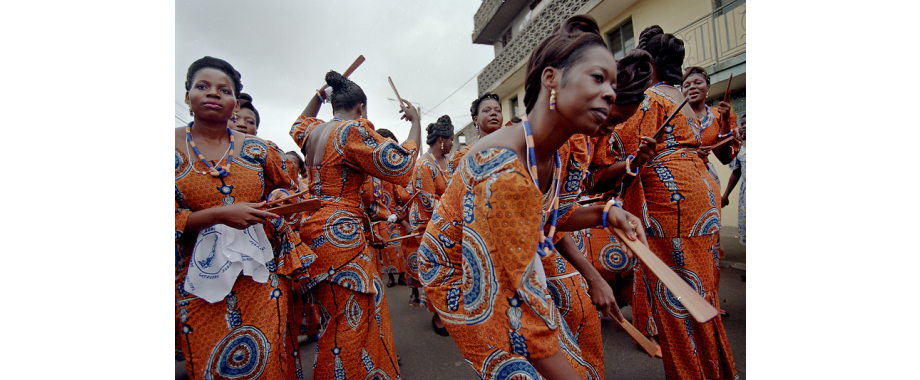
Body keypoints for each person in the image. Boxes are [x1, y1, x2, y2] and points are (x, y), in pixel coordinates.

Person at [417, 15, 648, 379]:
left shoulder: (553, 153)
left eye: (613, 85)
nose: (610, 93)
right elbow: (516, 312)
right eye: (598, 78)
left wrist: (607, 213)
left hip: (509, 274)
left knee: (577, 357)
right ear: (551, 78)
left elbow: (549, 221)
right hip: (460, 278)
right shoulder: (502, 170)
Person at [175, 56, 313, 380]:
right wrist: (220, 214)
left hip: (261, 278)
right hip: (198, 281)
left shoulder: (259, 150)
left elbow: (291, 190)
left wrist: (278, 199)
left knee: (268, 360)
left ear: (234, 105)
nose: (213, 94)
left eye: (223, 90)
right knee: (214, 364)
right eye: (203, 86)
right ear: (187, 95)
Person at [614, 25, 738, 379]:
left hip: (672, 201)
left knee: (678, 298)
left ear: (648, 65)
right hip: (701, 192)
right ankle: (717, 370)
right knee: (701, 295)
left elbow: (614, 141)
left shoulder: (651, 99)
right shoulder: (686, 104)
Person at [289, 69, 421, 380]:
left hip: (315, 230)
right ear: (361, 107)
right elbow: (402, 164)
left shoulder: (312, 133)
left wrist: (320, 95)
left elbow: (297, 123)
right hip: (341, 235)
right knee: (348, 325)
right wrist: (415, 121)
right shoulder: (350, 132)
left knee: (335, 321)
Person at [403, 115, 454, 334]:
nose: (452, 143)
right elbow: (427, 201)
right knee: (437, 271)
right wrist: (456, 206)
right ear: (442, 140)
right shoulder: (424, 165)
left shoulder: (448, 162)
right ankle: (438, 316)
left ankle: (449, 311)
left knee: (451, 272)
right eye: (451, 139)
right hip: (428, 227)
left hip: (448, 223)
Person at [449, 93, 503, 172]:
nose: (493, 113)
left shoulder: (516, 146)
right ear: (476, 119)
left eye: (498, 110)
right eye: (486, 110)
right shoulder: (461, 157)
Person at [723, 114, 746, 246]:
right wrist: (726, 195)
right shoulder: (740, 147)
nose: (745, 126)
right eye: (742, 124)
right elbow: (736, 171)